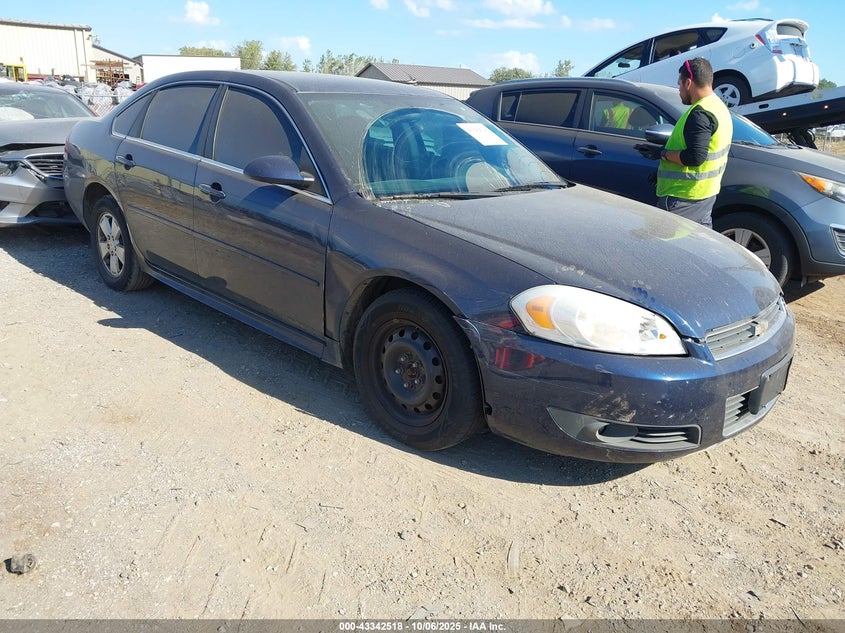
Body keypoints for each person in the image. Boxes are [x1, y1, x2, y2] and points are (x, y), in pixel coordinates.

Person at [635, 57, 732, 227]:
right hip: (705, 196)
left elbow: (695, 157)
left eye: (679, 84)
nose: (679, 90)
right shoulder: (719, 108)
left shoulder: (700, 113)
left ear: (688, 83)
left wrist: (662, 154)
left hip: (683, 198)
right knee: (696, 248)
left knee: (663, 247)